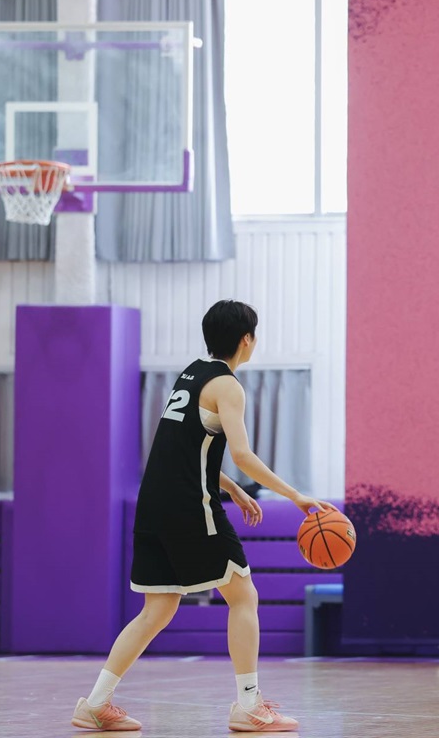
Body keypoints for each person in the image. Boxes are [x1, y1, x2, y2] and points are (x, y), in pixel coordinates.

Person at [71, 300, 336, 734]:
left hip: (154, 502)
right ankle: (249, 706)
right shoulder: (228, 385)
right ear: (247, 339)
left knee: (157, 609)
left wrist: (230, 488)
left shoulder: (192, 373)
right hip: (188, 506)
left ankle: (95, 703)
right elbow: (242, 454)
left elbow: (186, 448)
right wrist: (295, 496)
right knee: (243, 596)